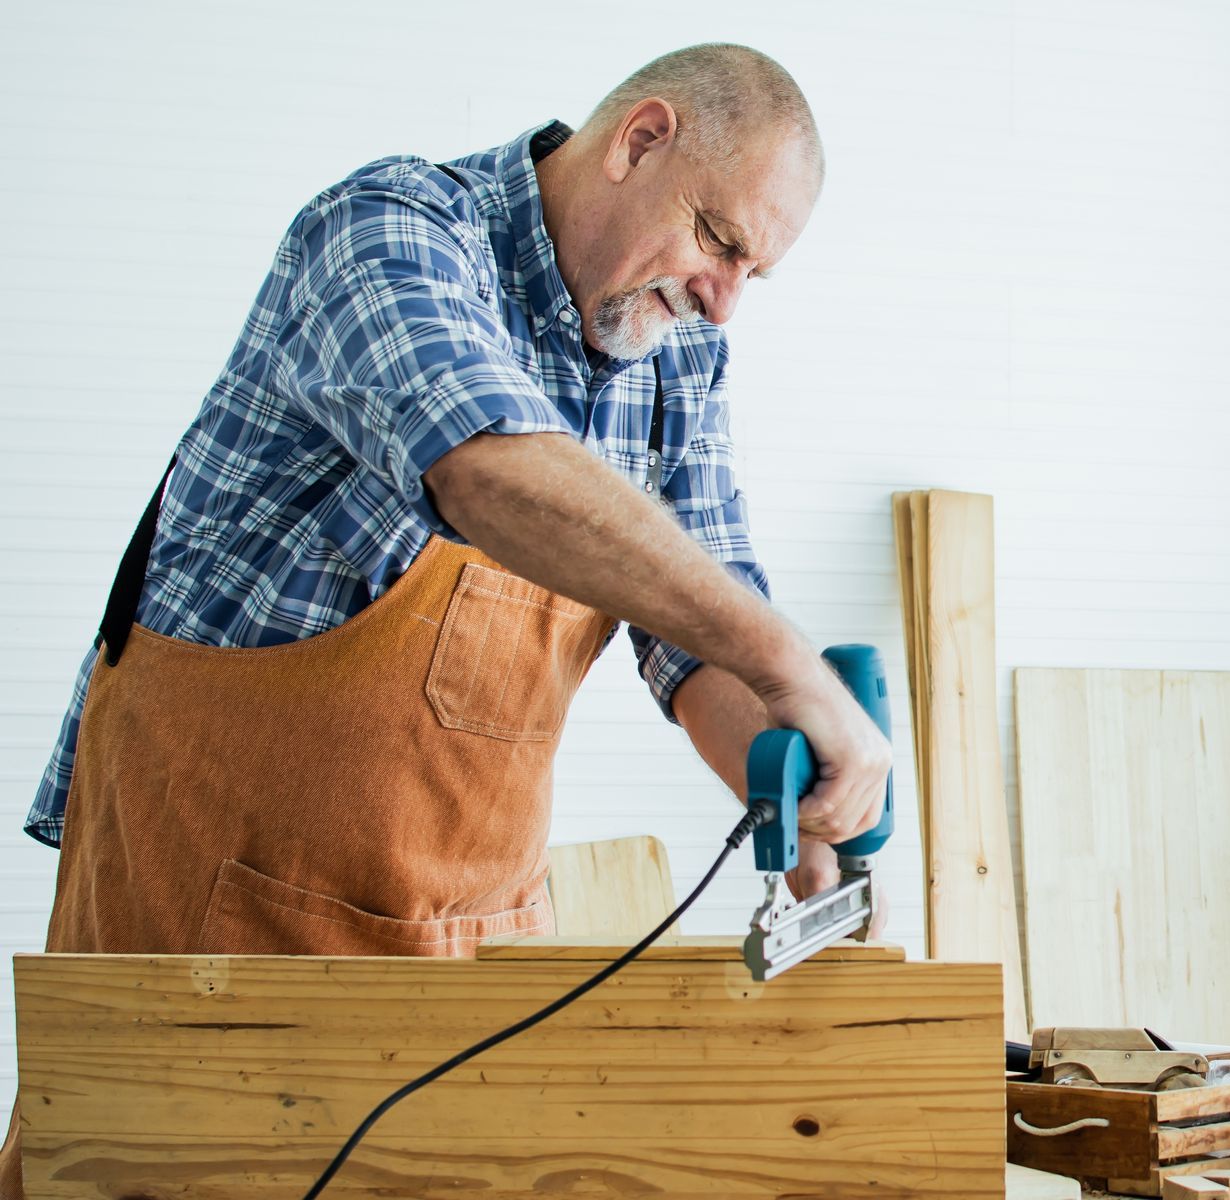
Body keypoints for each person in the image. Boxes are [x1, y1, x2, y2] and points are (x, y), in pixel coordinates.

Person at [1, 43, 888, 1193]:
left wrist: (800, 791)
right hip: (214, 920)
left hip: (462, 957)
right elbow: (490, 473)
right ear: (639, 140)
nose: (721, 300)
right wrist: (792, 663)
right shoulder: (390, 233)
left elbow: (701, 628)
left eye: (749, 275)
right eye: (719, 240)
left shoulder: (676, 356)